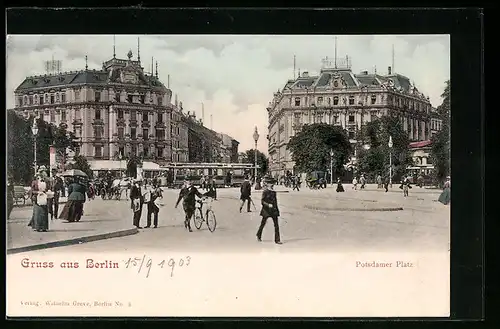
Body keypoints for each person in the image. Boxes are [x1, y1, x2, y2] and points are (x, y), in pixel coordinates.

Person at [256, 178, 282, 244]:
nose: (271, 184)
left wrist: (277, 210)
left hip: (273, 210)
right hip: (266, 210)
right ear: (267, 184)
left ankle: (277, 240)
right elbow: (262, 201)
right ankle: (259, 234)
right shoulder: (265, 192)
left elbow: (275, 202)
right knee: (263, 224)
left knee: (276, 225)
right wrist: (268, 205)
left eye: (272, 183)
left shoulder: (274, 192)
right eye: (270, 183)